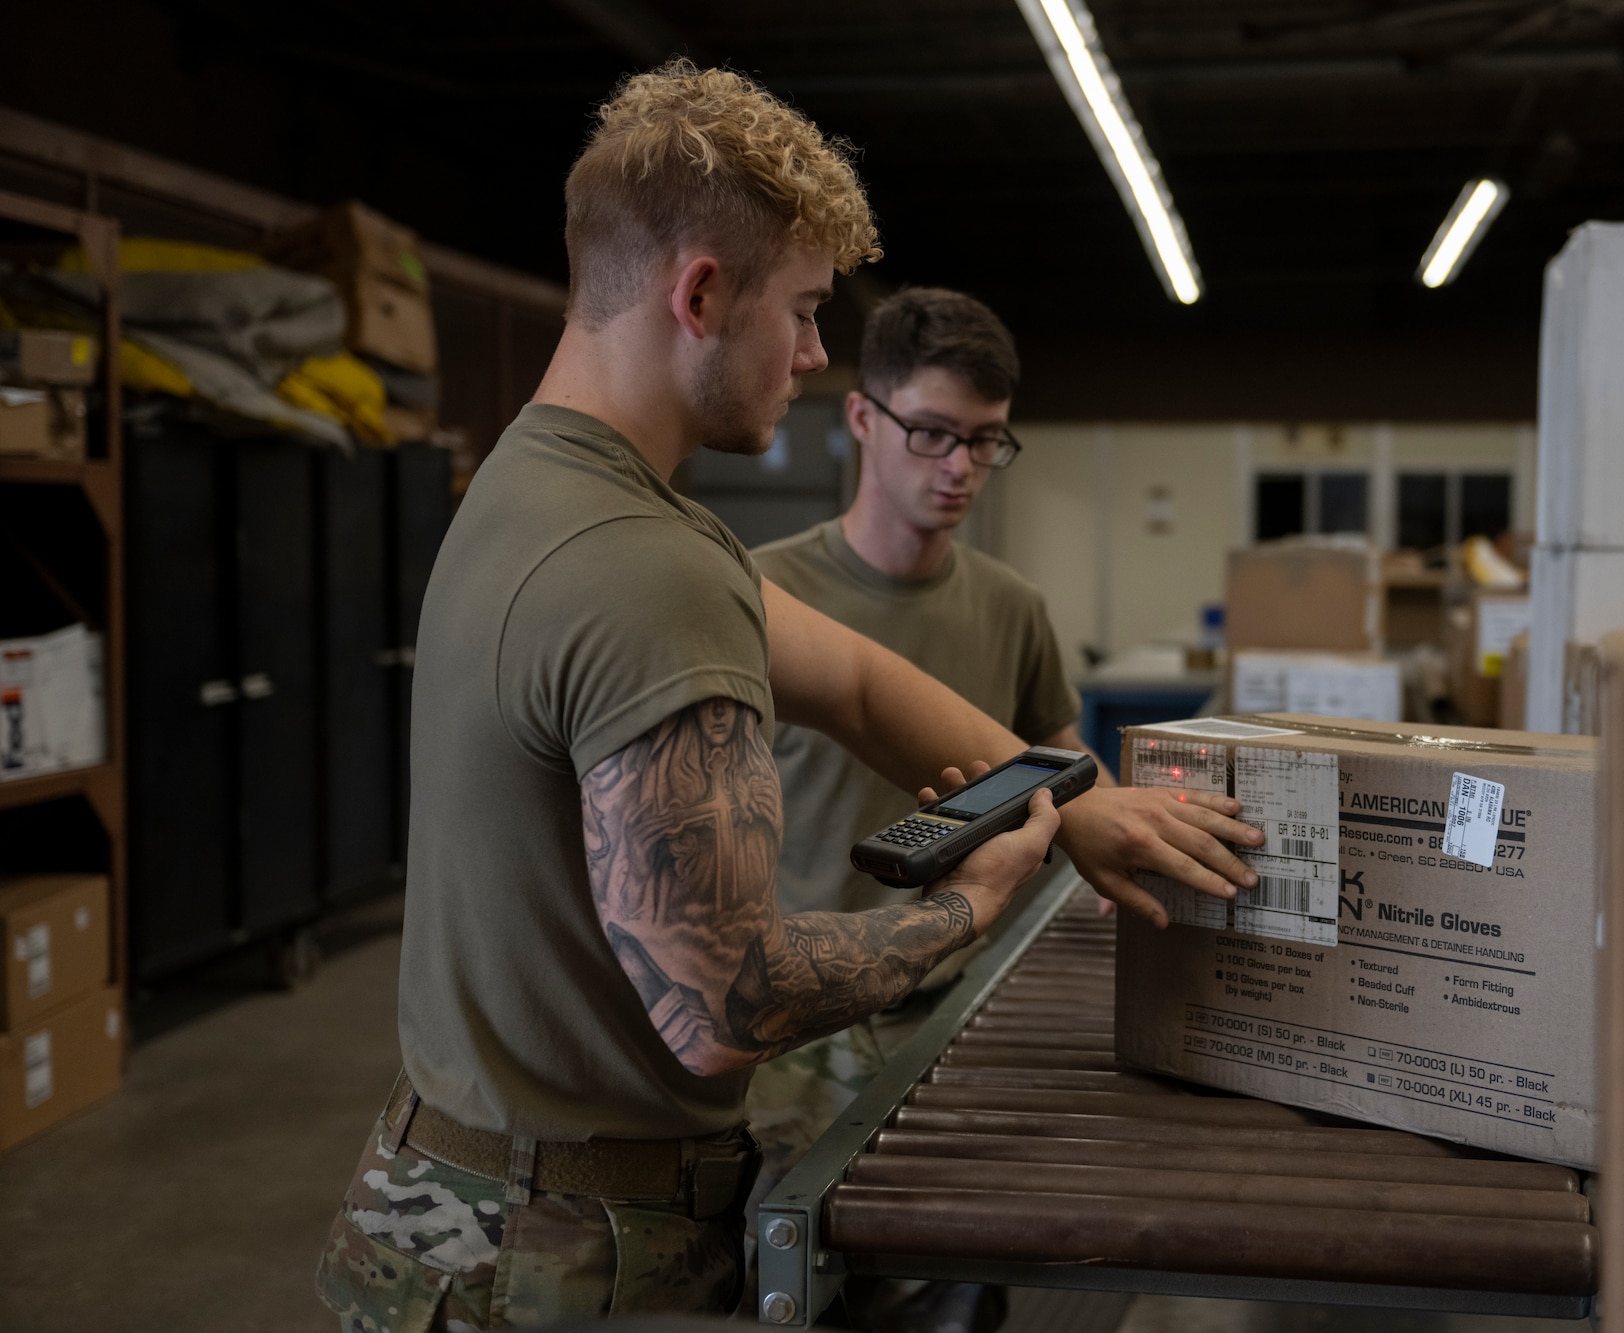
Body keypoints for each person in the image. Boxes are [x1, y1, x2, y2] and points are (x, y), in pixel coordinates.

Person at [315, 61, 1263, 1329]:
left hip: (452, 1199)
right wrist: (971, 903)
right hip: (565, 1258)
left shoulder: (530, 486)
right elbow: (724, 1000)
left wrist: (1071, 804)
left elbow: (861, 682)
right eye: (806, 310)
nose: (818, 354)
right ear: (700, 292)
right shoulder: (645, 568)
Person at [743, 289, 1093, 1205]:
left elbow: (1066, 771)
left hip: (959, 1002)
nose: (963, 467)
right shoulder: (755, 595)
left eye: (987, 440)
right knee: (791, 1266)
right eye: (934, 433)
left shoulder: (1013, 606)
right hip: (803, 1021)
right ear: (862, 416)